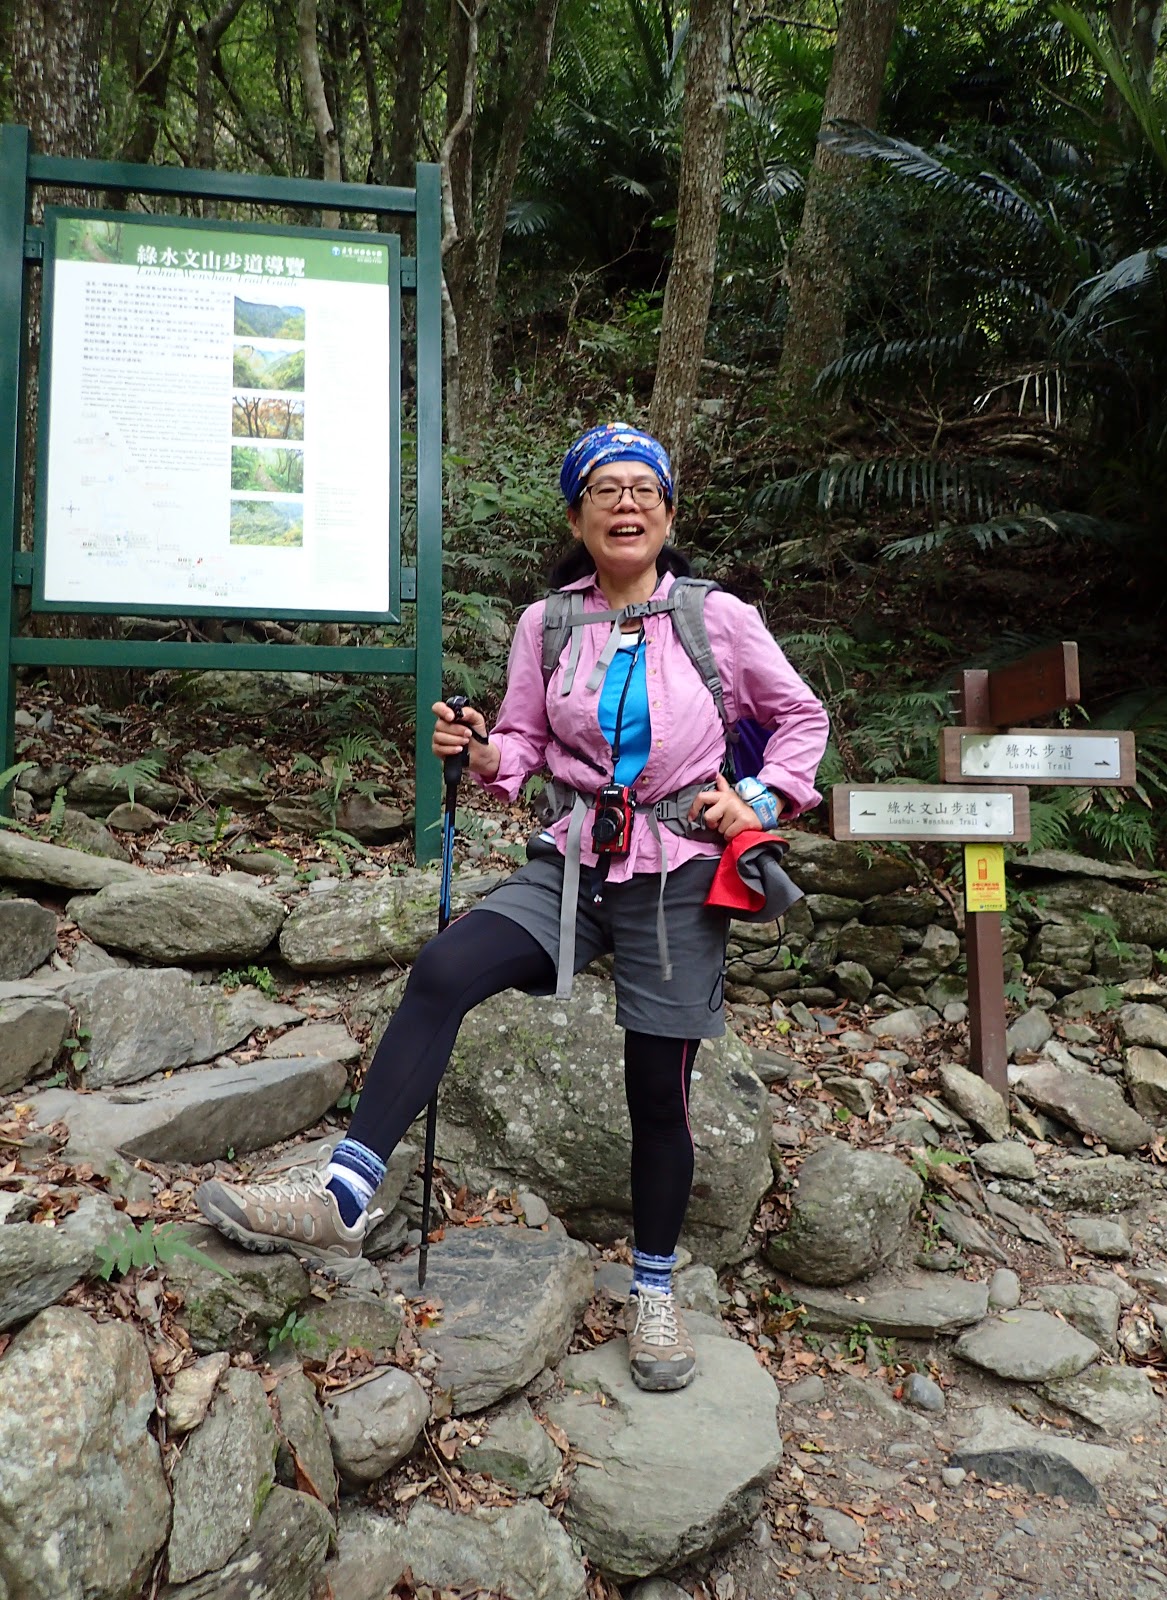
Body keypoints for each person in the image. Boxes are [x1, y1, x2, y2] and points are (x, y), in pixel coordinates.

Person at [197, 423, 828, 1393]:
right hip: (573, 859)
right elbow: (524, 745)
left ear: (669, 514)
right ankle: (344, 1195)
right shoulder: (548, 624)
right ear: (577, 518)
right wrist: (482, 750)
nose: (626, 504)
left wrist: (763, 799)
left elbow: (800, 718)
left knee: (657, 1090)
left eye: (644, 489)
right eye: (605, 490)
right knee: (446, 967)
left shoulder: (718, 618)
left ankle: (653, 1290)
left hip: (678, 868)